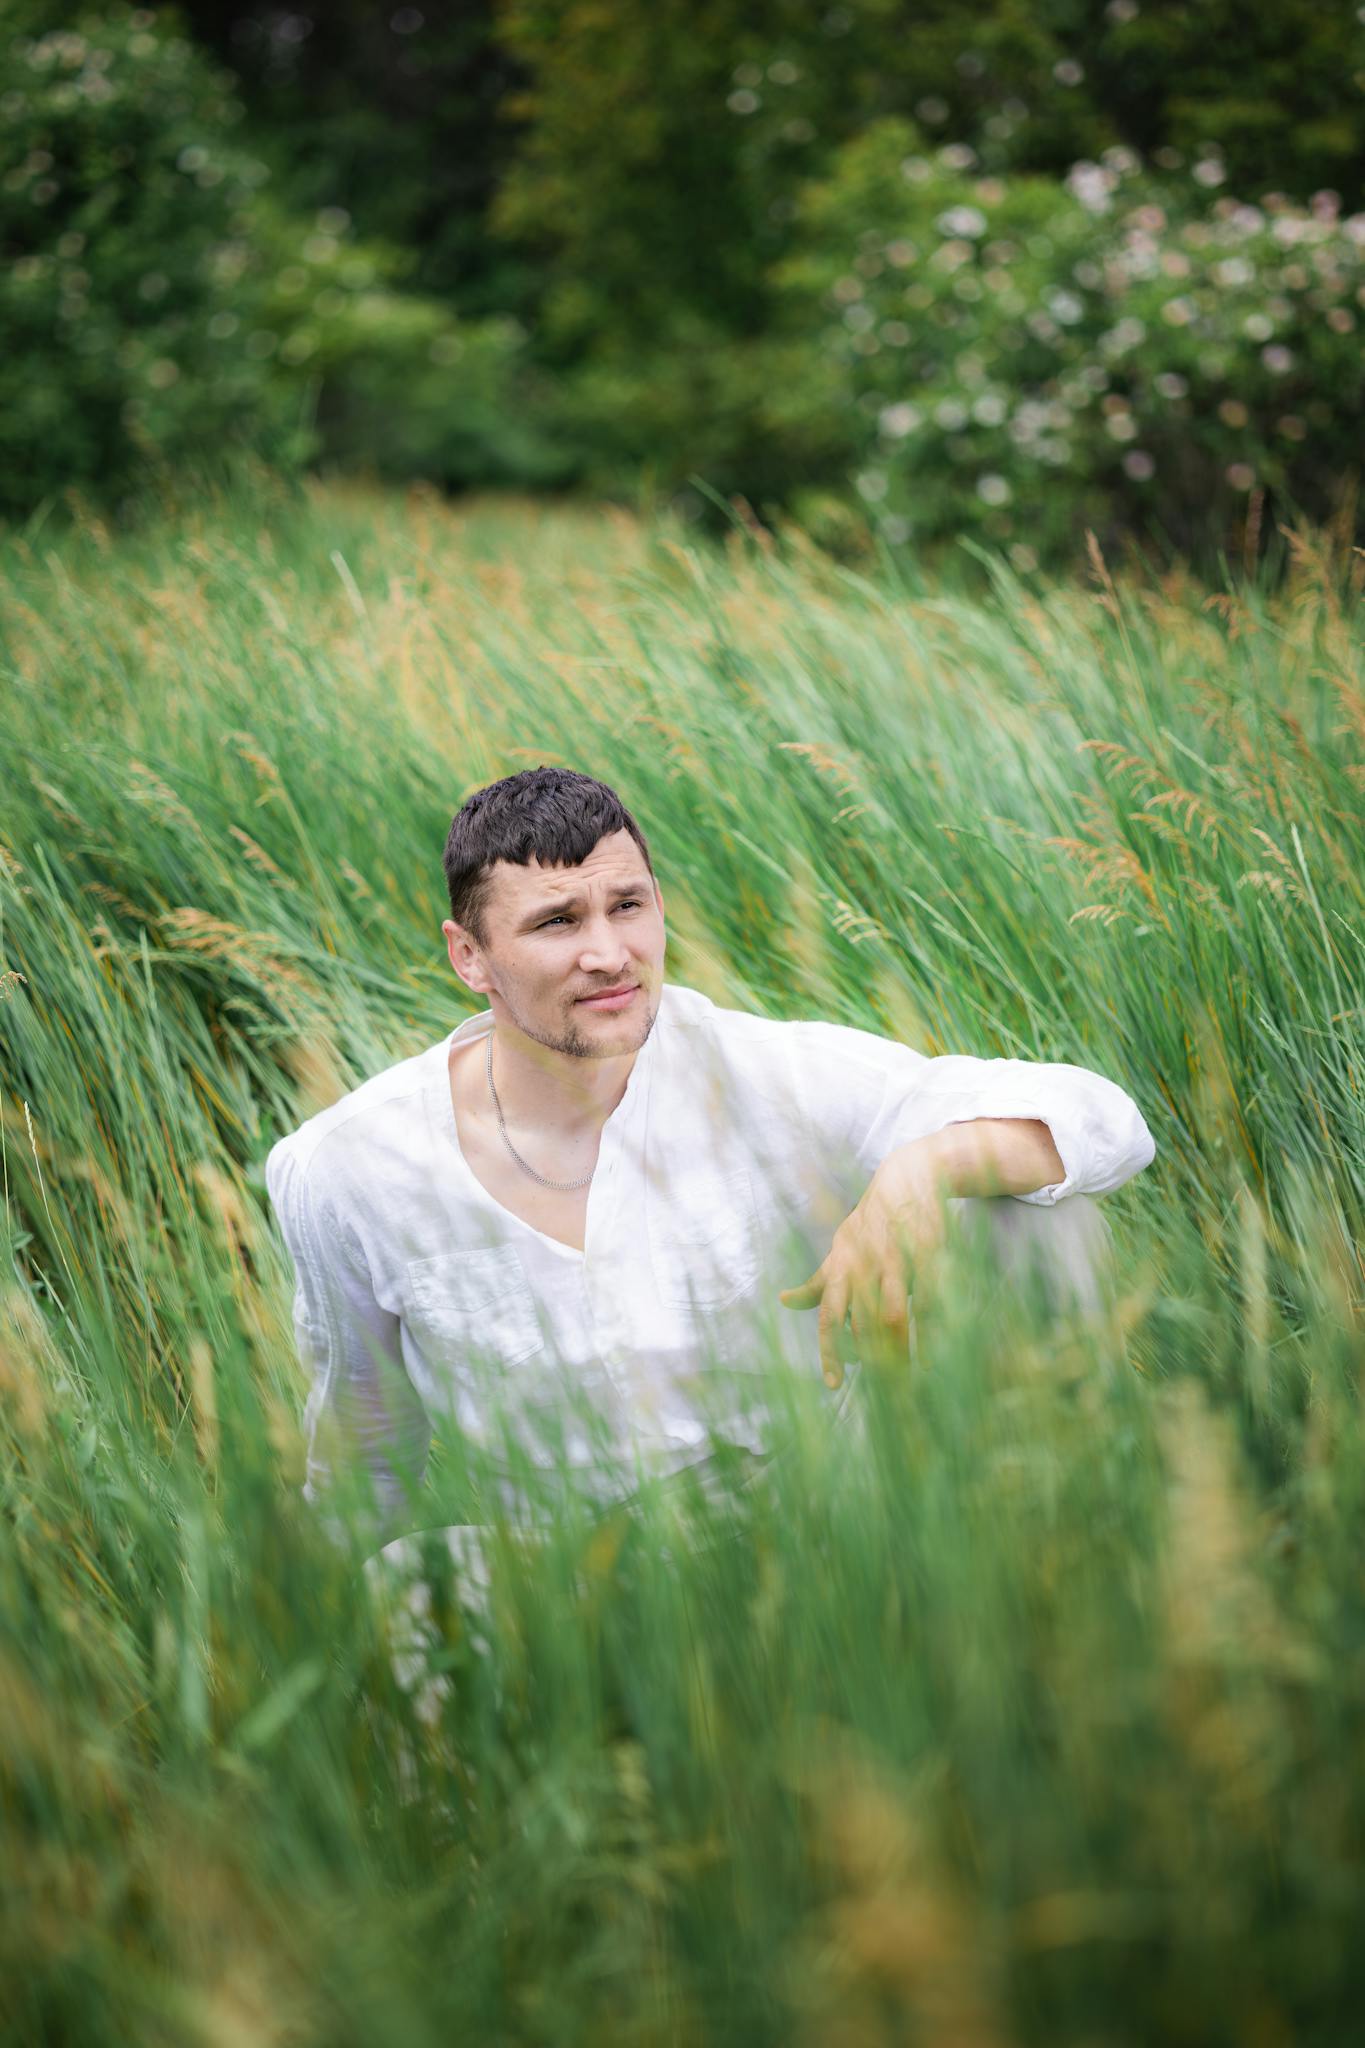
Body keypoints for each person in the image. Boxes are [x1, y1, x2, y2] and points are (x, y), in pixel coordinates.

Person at [264, 765, 1156, 1563]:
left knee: (1036, 1217)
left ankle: (1080, 1590)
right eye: (555, 922)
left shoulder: (764, 1072)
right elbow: (363, 1448)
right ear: (472, 958)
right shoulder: (350, 1169)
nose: (609, 954)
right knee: (410, 1580)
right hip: (576, 1577)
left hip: (826, 1525)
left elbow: (1101, 1120)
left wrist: (921, 1172)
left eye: (628, 906)